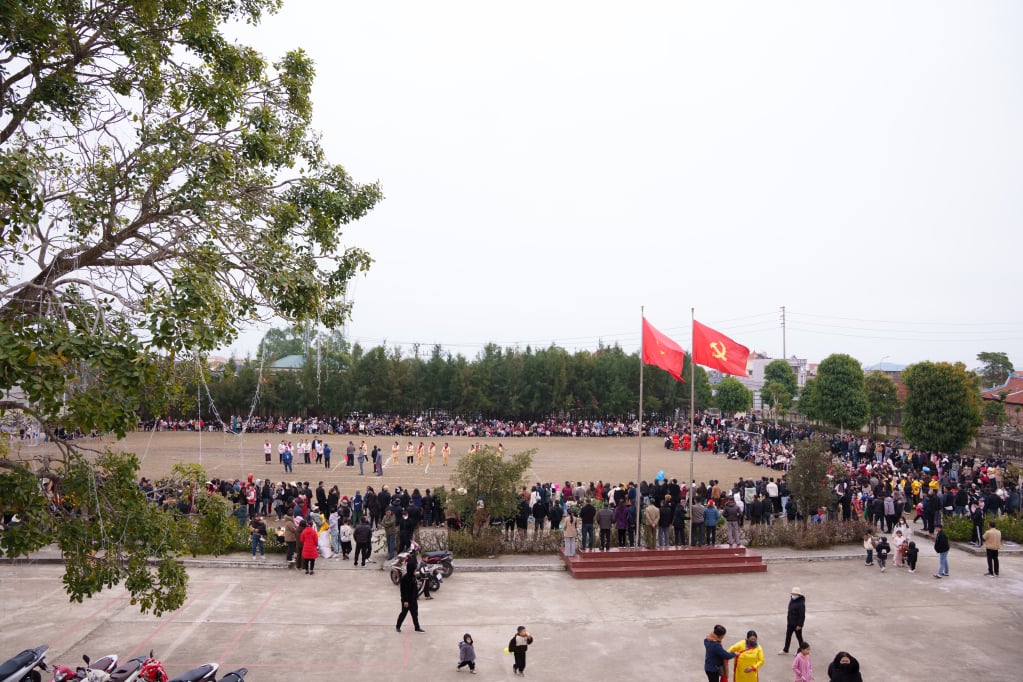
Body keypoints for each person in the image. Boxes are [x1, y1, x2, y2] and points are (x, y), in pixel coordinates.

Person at [396, 563, 425, 633]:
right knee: (403, 613)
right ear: (411, 570)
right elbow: (403, 591)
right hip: (407, 600)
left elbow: (414, 588)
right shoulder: (404, 579)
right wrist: (405, 601)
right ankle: (398, 626)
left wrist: (416, 596)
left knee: (414, 614)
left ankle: (417, 628)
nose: (415, 571)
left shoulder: (413, 577)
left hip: (413, 599)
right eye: (414, 570)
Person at [780, 587, 806, 655]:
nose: (793, 595)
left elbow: (802, 615)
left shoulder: (801, 604)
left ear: (798, 595)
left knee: (799, 638)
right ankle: (786, 650)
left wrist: (800, 625)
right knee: (788, 636)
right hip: (790, 623)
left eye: (795, 594)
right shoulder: (792, 600)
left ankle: (802, 651)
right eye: (793, 594)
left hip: (796, 624)